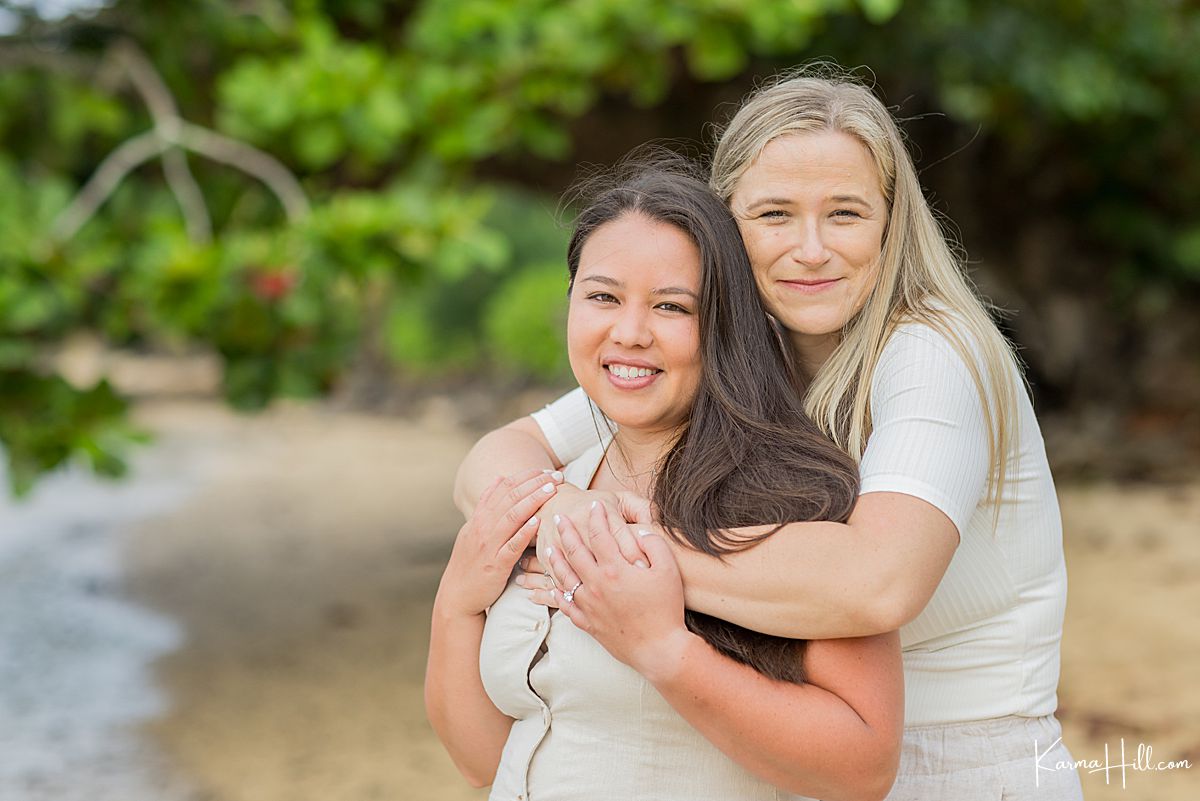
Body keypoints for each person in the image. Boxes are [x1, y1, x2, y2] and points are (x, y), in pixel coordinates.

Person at [453, 69, 1085, 800]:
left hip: (959, 765)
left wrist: (623, 561)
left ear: (892, 221)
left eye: (844, 213)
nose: (810, 249)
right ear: (723, 227)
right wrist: (565, 511)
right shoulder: (738, 352)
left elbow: (879, 581)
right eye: (775, 214)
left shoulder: (932, 350)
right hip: (797, 758)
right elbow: (490, 460)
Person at [426, 162, 903, 801]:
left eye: (671, 306)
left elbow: (864, 768)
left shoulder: (792, 498)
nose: (629, 333)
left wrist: (664, 651)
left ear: (727, 324)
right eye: (602, 296)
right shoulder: (552, 492)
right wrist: (457, 601)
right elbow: (487, 763)